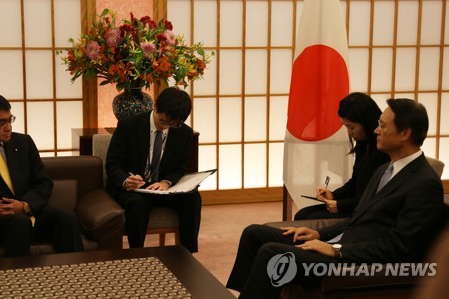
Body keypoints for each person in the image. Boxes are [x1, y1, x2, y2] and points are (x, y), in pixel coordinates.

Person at [226, 98, 445, 299]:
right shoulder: (384, 170)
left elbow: (399, 247)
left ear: (404, 133)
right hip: (341, 244)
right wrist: (319, 233)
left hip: (357, 262)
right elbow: (357, 218)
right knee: (255, 233)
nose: (376, 130)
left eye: (383, 125)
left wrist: (337, 250)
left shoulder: (424, 183)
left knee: (272, 253)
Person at [0, 92, 84, 257]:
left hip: (32, 213)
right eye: (1, 122)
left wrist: (25, 205)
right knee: (19, 222)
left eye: (10, 119)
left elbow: (44, 182)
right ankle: (18, 280)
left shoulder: (24, 142)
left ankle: (75, 274)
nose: (9, 127)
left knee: (67, 218)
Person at [105, 87, 201, 253]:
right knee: (137, 204)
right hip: (134, 188)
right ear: (155, 107)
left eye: (173, 124)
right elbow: (113, 164)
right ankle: (137, 253)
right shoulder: (129, 125)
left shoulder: (183, 132)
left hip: (161, 188)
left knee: (193, 198)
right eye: (163, 121)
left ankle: (187, 253)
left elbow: (180, 168)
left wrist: (166, 182)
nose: (166, 127)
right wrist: (126, 181)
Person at [294, 92, 390, 220]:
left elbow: (376, 196)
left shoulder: (385, 150)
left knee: (307, 218)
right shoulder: (363, 144)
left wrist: (341, 205)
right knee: (303, 214)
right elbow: (355, 182)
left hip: (366, 211)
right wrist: (333, 195)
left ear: (366, 122)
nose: (349, 133)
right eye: (346, 127)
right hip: (355, 203)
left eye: (351, 127)